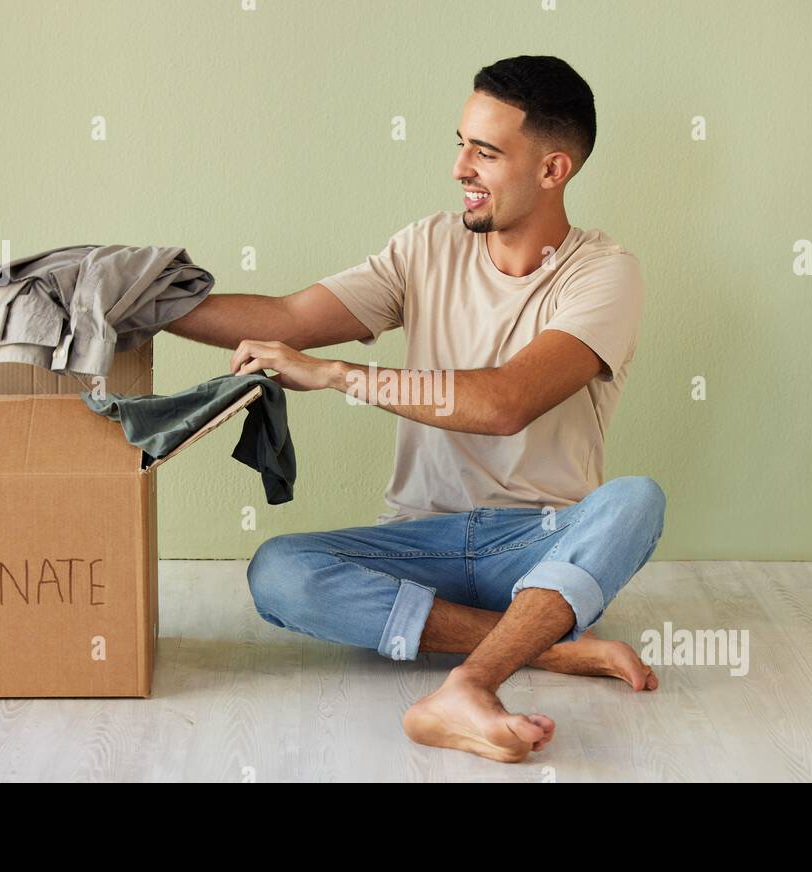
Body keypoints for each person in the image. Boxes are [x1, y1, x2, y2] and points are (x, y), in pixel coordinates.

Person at [167, 55, 665, 763]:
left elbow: (505, 402)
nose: (461, 166)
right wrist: (145, 304)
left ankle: (470, 682)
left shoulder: (603, 273)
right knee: (279, 571)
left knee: (637, 501)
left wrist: (339, 375)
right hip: (418, 541)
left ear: (553, 170)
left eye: (486, 152)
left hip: (539, 544)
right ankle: (548, 649)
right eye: (460, 142)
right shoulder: (426, 247)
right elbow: (286, 317)